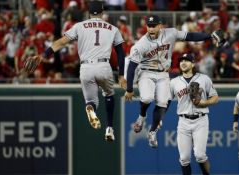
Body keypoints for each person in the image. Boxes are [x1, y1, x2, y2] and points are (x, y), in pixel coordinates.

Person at [27, 1, 127, 141]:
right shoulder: (112, 28)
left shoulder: (80, 26)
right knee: (109, 93)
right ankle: (109, 129)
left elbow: (61, 42)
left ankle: (90, 108)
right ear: (102, 12)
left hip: (85, 68)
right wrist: (121, 75)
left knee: (91, 101)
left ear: (88, 12)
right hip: (104, 66)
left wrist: (43, 55)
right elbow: (121, 53)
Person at [124, 14, 225, 148]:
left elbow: (190, 36)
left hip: (163, 73)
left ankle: (152, 131)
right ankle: (142, 117)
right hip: (146, 71)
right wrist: (129, 89)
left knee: (162, 102)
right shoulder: (141, 44)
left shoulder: (170, 33)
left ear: (160, 26)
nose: (151, 28)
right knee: (147, 98)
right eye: (149, 26)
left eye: (154, 26)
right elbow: (131, 67)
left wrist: (209, 36)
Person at [170, 54, 219, 175]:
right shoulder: (174, 82)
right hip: (183, 121)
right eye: (181, 61)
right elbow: (165, 101)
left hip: (200, 120)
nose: (183, 63)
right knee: (184, 158)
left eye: (187, 60)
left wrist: (204, 102)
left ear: (193, 64)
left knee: (200, 155)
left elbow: (215, 97)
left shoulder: (204, 79)